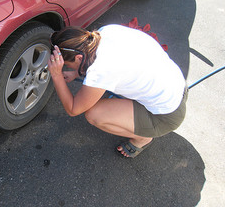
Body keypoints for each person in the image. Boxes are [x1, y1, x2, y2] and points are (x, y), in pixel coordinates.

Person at [47, 24, 187, 158]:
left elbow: (73, 109)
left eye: (68, 65)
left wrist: (56, 75)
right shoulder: (105, 32)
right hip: (178, 86)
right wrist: (77, 73)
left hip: (166, 116)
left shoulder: (102, 70)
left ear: (78, 58)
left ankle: (142, 138)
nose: (68, 68)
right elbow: (100, 63)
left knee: (94, 114)